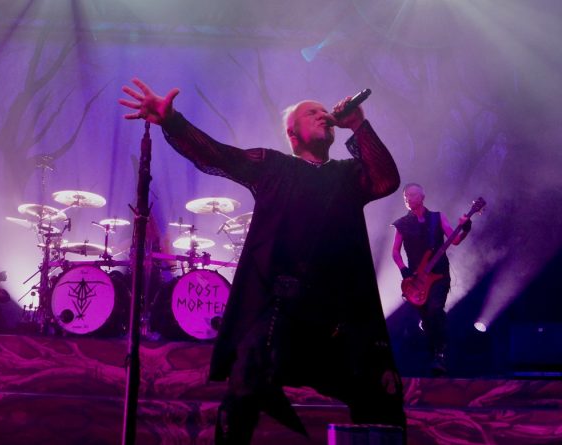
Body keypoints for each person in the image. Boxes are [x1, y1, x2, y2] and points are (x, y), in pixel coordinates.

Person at [120, 78, 406, 443]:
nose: (322, 115)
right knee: (245, 385)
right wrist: (172, 121)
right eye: (311, 112)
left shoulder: (348, 176)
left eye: (324, 111)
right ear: (293, 134)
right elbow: (217, 156)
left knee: (380, 397)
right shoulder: (274, 166)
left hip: (340, 314)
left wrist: (359, 125)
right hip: (280, 308)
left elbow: (385, 180)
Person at [391, 183, 471, 376]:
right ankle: (434, 356)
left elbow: (455, 240)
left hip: (439, 275)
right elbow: (395, 252)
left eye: (412, 194)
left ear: (422, 196)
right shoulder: (401, 224)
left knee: (435, 307)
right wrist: (404, 270)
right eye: (406, 196)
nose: (408, 198)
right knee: (426, 320)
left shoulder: (437, 217)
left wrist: (466, 228)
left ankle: (441, 353)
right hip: (417, 279)